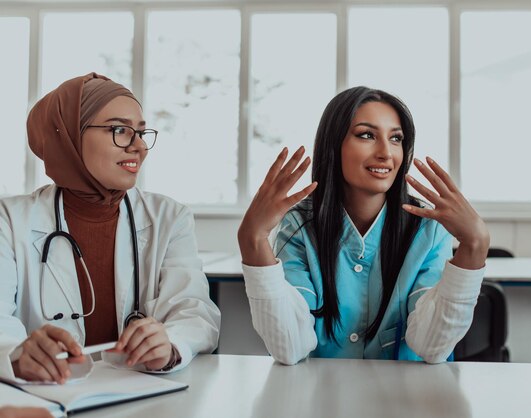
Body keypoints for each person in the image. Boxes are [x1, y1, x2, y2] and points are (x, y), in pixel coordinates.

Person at [238, 86, 489, 365]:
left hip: (409, 400)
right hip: (323, 400)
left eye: (396, 139)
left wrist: (475, 245)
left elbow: (431, 347)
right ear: (334, 145)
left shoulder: (428, 227)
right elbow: (289, 346)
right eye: (367, 135)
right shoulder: (299, 225)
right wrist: (253, 239)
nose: (386, 153)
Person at [0, 73, 220, 383]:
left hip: (140, 398)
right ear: (69, 137)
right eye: (120, 130)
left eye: (142, 133)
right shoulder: (9, 221)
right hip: (47, 398)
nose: (139, 146)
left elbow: (194, 311)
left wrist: (170, 344)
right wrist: (15, 354)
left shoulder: (169, 217)